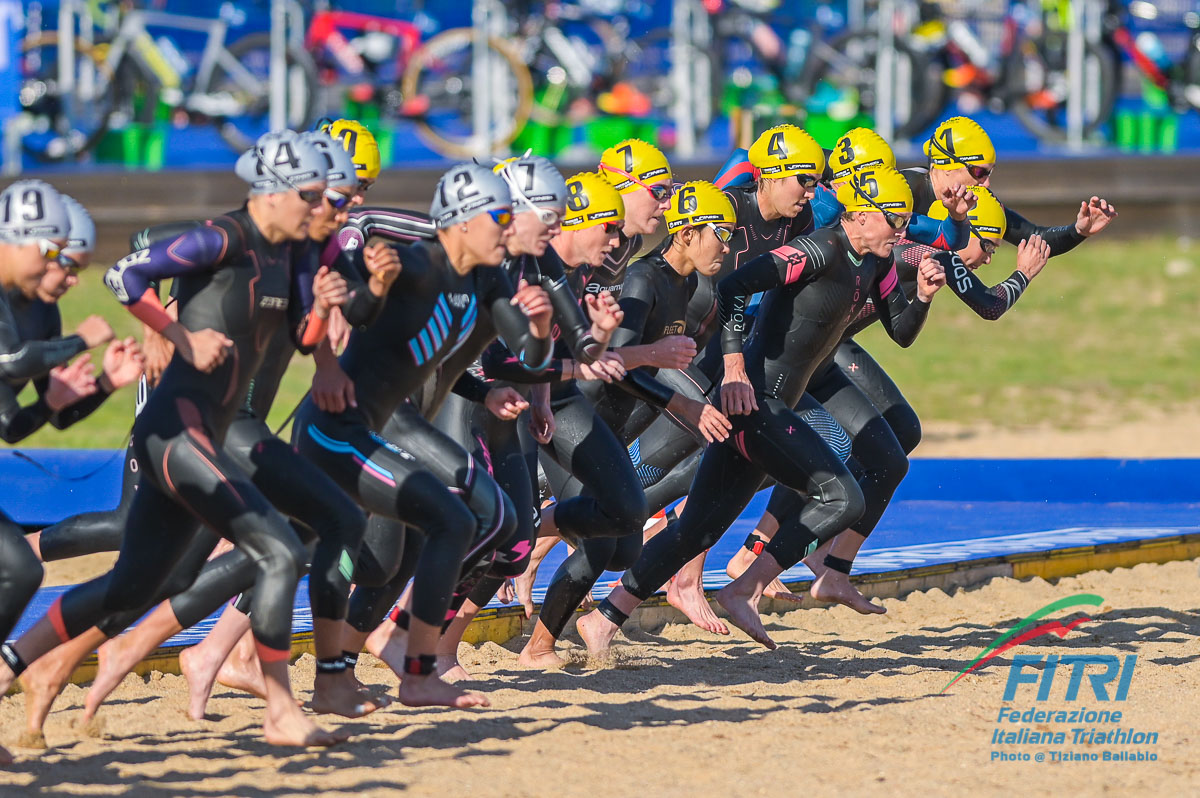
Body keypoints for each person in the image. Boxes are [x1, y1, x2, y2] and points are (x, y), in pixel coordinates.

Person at [0, 130, 351, 748]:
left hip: (212, 432)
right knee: (278, 549)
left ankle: (15, 660)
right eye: (314, 196)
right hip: (174, 430)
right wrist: (177, 335)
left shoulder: (294, 255)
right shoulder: (222, 236)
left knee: (137, 584)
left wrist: (322, 307)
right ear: (273, 193)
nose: (325, 209)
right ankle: (283, 706)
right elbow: (125, 274)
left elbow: (299, 339)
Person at [574, 167, 947, 655]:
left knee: (698, 527)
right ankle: (743, 588)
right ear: (858, 215)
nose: (901, 232)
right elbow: (733, 289)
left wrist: (921, 295)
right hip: (754, 402)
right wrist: (733, 367)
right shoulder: (817, 250)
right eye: (893, 220)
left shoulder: (876, 263)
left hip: (771, 403)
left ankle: (605, 618)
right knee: (843, 497)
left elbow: (902, 331)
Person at [292, 162, 553, 709]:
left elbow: (524, 359)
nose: (509, 228)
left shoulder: (488, 276)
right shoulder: (416, 262)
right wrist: (374, 285)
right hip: (341, 428)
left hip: (384, 429)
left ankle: (406, 668)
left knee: (413, 547)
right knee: (295, 549)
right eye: (500, 216)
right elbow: (350, 309)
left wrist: (554, 331)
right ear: (459, 222)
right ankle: (351, 669)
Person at [517, 180, 735, 668]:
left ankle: (524, 533)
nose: (728, 244)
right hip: (580, 416)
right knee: (601, 542)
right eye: (722, 231)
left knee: (622, 549)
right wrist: (681, 405)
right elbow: (616, 362)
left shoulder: (688, 284)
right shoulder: (644, 280)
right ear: (686, 232)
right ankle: (538, 645)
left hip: (611, 428)